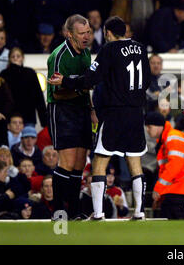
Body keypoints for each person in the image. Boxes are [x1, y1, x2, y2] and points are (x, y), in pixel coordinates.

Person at [48, 16, 151, 221]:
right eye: (83, 33)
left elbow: (91, 78)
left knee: (99, 162)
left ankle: (98, 213)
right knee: (135, 163)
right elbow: (147, 80)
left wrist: (66, 81)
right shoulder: (141, 49)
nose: (88, 36)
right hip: (135, 113)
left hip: (113, 113)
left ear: (107, 33)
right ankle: (139, 212)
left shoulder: (108, 49)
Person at [46, 14, 95, 220]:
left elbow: (87, 84)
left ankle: (74, 212)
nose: (87, 37)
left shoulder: (86, 54)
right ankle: (58, 214)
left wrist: (91, 108)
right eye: (82, 33)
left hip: (82, 109)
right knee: (66, 162)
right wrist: (80, 90)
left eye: (89, 32)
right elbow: (57, 92)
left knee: (80, 163)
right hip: (62, 109)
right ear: (69, 34)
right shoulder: (58, 56)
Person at [0, 47, 47, 127]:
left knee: (29, 138)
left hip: (28, 115)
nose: (15, 58)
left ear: (22, 58)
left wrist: (44, 121)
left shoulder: (30, 72)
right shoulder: (4, 74)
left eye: (18, 56)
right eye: (13, 56)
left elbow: (38, 96)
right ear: (9, 59)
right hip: (10, 117)